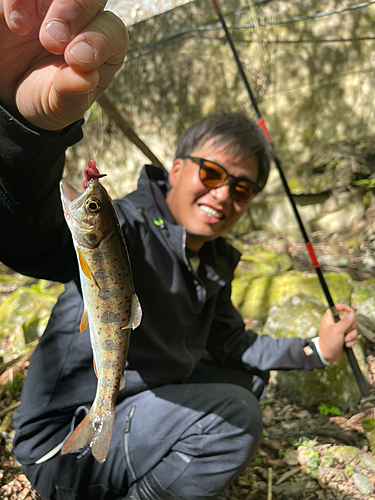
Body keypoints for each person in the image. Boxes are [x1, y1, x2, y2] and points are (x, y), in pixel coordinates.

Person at [0, 1, 358, 499]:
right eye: (212, 174)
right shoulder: (123, 227)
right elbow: (32, 241)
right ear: (175, 167)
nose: (222, 194)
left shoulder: (212, 260)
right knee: (237, 416)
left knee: (241, 378)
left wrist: (316, 350)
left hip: (130, 411)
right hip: (64, 443)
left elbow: (233, 341)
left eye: (241, 188)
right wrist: (23, 127)